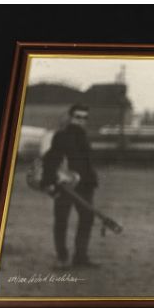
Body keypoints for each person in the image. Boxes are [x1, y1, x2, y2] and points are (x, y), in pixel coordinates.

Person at [40, 103, 99, 269]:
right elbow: (50, 160)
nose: (81, 121)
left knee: (87, 218)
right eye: (78, 117)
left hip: (85, 186)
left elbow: (87, 164)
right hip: (65, 185)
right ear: (71, 117)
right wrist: (50, 182)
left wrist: (90, 181)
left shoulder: (85, 137)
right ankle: (62, 258)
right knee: (61, 220)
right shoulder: (61, 135)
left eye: (84, 118)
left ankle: (80, 257)